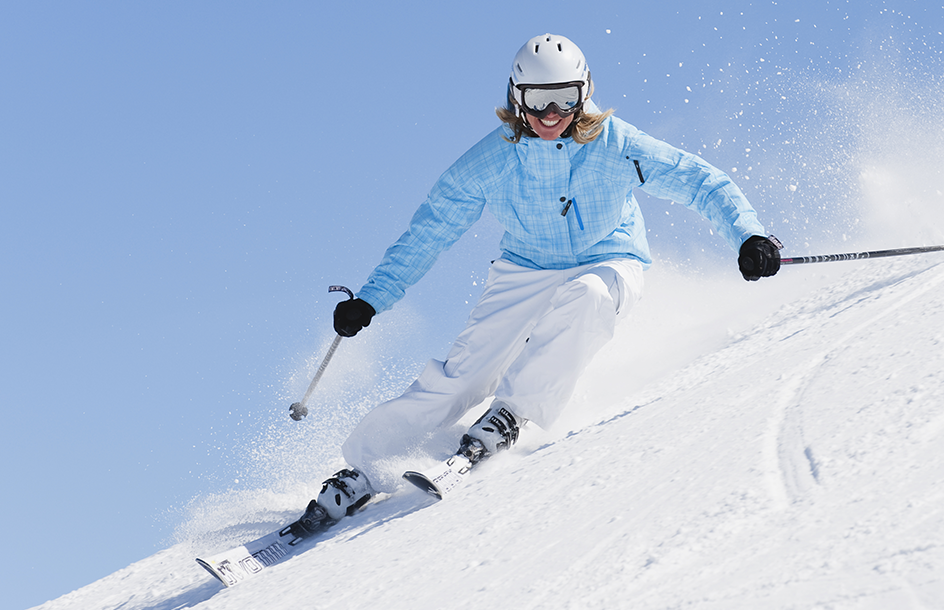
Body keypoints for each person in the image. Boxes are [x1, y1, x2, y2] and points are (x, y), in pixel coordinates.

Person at [292, 33, 780, 534]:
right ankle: (366, 468)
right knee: (464, 374)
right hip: (525, 266)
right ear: (514, 98)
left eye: (565, 99)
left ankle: (511, 414)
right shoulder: (492, 161)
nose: (551, 113)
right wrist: (373, 297)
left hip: (610, 258)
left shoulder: (617, 145)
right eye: (536, 100)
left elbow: (699, 181)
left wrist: (749, 234)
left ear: (584, 93)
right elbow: (430, 231)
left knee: (588, 297)